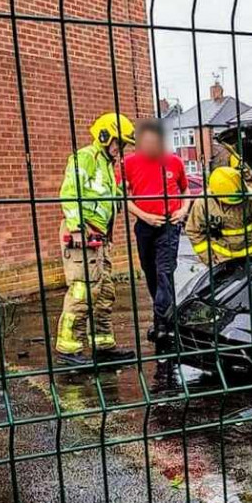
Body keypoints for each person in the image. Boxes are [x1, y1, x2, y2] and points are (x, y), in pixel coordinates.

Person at [55, 112, 136, 366]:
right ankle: (68, 348)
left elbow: (104, 197)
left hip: (99, 238)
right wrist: (77, 228)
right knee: (83, 291)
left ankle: (103, 346)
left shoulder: (107, 165)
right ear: (104, 136)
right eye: (117, 142)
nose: (119, 149)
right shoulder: (85, 158)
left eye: (122, 145)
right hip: (84, 235)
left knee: (104, 292)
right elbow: (70, 193)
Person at [121, 119, 191, 350]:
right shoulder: (129, 163)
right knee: (150, 273)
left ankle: (163, 324)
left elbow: (186, 190)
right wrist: (144, 216)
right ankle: (163, 315)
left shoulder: (174, 161)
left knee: (164, 273)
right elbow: (123, 197)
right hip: (145, 225)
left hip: (170, 225)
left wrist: (183, 210)